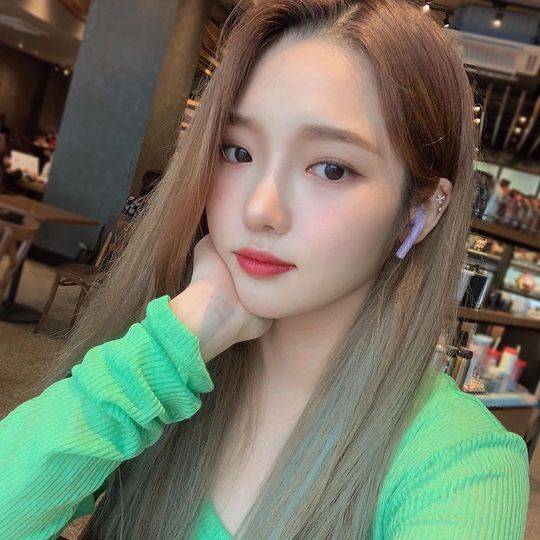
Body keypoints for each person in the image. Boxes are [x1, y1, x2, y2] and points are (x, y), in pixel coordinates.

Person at [0, 1, 529, 539]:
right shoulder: (171, 368)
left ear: (421, 211)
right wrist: (170, 347)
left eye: (331, 168)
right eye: (237, 152)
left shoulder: (459, 463)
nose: (259, 209)